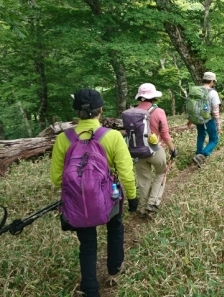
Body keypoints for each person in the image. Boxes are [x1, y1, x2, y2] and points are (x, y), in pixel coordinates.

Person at [50, 88, 138, 297]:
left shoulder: (64, 139)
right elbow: (126, 173)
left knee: (87, 244)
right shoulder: (113, 136)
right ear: (101, 110)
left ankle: (90, 288)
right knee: (115, 226)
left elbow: (56, 179)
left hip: (79, 202)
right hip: (109, 198)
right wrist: (133, 197)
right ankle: (114, 267)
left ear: (76, 112)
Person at [132, 83, 178, 215]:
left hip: (138, 152)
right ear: (153, 97)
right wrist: (172, 149)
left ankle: (141, 208)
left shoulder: (133, 112)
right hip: (155, 150)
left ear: (140, 97)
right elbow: (164, 134)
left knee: (143, 180)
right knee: (161, 173)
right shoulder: (158, 111)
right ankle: (152, 203)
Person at [187, 71, 221, 168]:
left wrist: (190, 119)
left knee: (201, 135)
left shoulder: (196, 91)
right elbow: (215, 111)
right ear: (211, 81)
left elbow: (193, 107)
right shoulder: (213, 92)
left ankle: (198, 153)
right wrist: (218, 124)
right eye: (213, 81)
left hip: (197, 118)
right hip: (208, 119)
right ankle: (202, 155)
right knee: (214, 139)